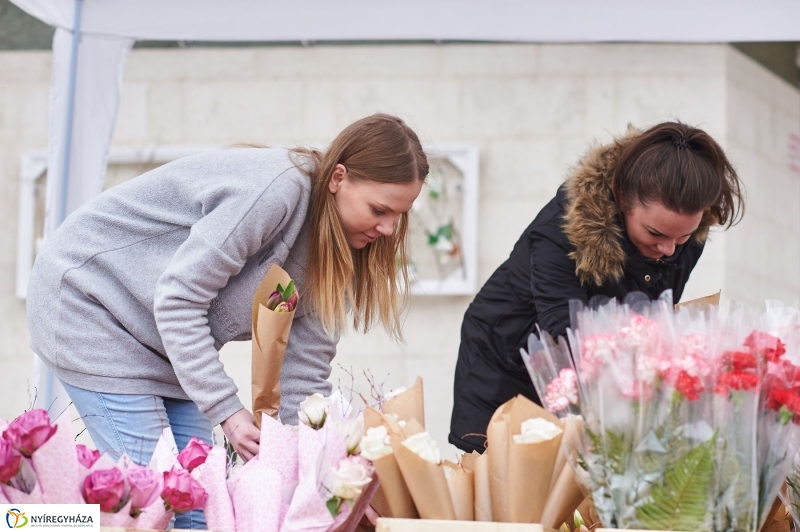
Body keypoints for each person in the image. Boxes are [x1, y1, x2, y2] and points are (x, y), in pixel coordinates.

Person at [27, 113, 428, 528]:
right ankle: (21, 522)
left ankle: (25, 517)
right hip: (90, 303)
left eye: (399, 215)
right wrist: (229, 412)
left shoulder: (342, 252)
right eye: (379, 209)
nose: (388, 228)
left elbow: (304, 377)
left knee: (198, 511)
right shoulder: (278, 192)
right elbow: (178, 299)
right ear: (338, 178)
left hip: (160, 341)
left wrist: (320, 476)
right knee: (154, 504)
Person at [449, 122, 744, 454]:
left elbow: (653, 313)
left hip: (598, 374)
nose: (669, 249)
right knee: (514, 474)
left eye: (683, 237)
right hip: (509, 365)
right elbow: (565, 334)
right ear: (622, 197)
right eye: (655, 234)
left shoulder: (684, 232)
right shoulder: (560, 233)